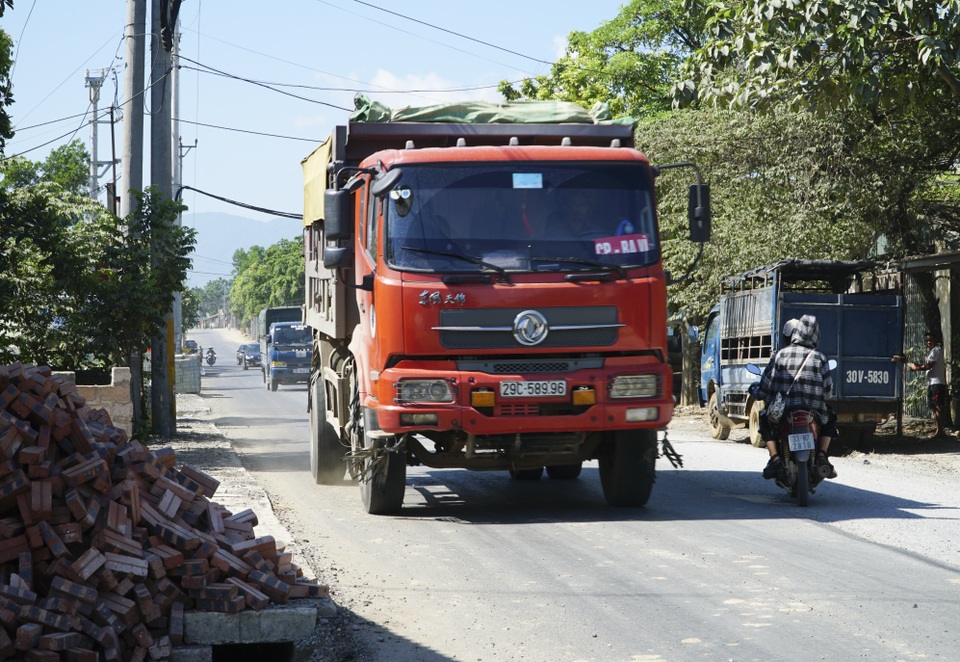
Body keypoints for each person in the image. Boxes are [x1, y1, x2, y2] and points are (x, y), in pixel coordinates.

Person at [755, 314, 838, 480]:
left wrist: (767, 397)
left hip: (784, 411)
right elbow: (828, 392)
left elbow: (769, 385)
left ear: (796, 332)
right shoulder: (820, 358)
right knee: (831, 420)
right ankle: (822, 455)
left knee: (764, 420)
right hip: (814, 412)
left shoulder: (781, 355)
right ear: (816, 335)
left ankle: (775, 458)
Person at [908, 331, 948, 439]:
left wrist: (916, 368)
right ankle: (938, 430)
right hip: (932, 383)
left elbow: (928, 366)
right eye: (927, 341)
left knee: (937, 406)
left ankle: (939, 432)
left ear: (935, 340)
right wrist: (914, 365)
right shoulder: (932, 352)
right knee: (934, 407)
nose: (928, 342)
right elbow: (926, 365)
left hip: (937, 383)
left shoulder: (936, 350)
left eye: (930, 340)